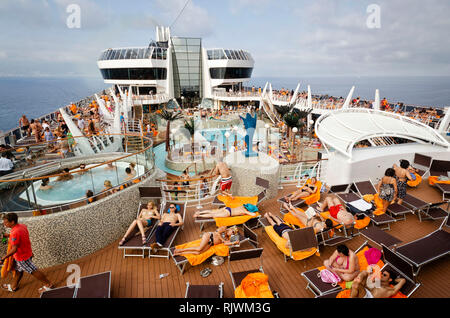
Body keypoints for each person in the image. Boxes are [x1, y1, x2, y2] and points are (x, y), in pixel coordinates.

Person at [0, 213, 54, 293]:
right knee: (18, 270)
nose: (4, 224)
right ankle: (13, 286)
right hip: (27, 252)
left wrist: (3, 258)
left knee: (33, 271)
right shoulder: (22, 226)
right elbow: (18, 236)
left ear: (12, 222)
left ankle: (49, 284)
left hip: (22, 257)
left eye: (6, 222)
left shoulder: (15, 232)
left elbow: (14, 249)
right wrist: (8, 235)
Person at [173, 226, 239, 256]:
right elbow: (216, 233)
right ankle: (180, 250)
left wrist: (234, 242)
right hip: (209, 236)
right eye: (232, 231)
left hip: (211, 243)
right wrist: (223, 240)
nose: (232, 233)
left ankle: (180, 253)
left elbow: (226, 244)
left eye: (233, 233)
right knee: (199, 248)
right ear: (230, 229)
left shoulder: (227, 238)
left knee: (199, 253)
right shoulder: (224, 228)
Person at [193, 204, 259, 218]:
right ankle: (199, 215)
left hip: (227, 208)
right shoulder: (245, 211)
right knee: (213, 215)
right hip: (228, 213)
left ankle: (200, 212)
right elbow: (253, 215)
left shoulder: (242, 206)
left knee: (213, 211)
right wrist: (252, 212)